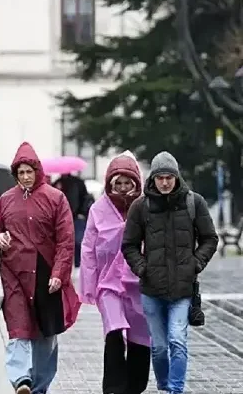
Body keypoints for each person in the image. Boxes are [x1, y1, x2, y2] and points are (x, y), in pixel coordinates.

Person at [121, 151, 218, 394]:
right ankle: (164, 385)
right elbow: (129, 245)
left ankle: (175, 389)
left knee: (177, 341)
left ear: (177, 177)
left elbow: (210, 238)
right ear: (153, 178)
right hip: (151, 289)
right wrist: (142, 268)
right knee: (160, 347)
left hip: (182, 288)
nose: (165, 182)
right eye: (160, 177)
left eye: (169, 177)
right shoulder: (140, 207)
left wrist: (195, 264)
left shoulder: (193, 202)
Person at [0, 142, 81, 394]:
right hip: (14, 273)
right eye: (21, 173)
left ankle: (39, 386)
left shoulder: (56, 198)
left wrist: (59, 274)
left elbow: (65, 240)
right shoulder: (6, 200)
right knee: (18, 328)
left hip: (46, 273)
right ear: (16, 174)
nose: (26, 177)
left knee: (45, 334)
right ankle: (21, 380)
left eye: (30, 172)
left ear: (37, 171)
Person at [79, 151, 151, 394]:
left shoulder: (146, 208)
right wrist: (88, 286)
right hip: (108, 284)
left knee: (140, 335)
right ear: (110, 182)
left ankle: (135, 385)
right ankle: (113, 387)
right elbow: (88, 248)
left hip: (140, 283)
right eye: (117, 183)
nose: (122, 188)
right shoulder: (98, 210)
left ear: (135, 183)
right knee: (113, 330)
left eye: (127, 183)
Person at [53, 173, 91, 267]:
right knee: (64, 244)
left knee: (78, 242)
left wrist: (82, 213)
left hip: (76, 217)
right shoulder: (57, 183)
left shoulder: (77, 182)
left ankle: (78, 265)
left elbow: (85, 198)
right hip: (62, 218)